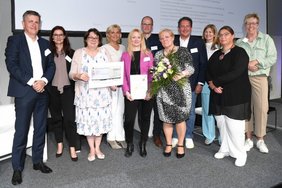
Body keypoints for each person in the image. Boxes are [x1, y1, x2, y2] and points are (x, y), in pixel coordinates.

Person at [5, 10, 55, 185]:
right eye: (30, 21)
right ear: (23, 23)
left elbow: (51, 66)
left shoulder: (45, 43)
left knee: (41, 128)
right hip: (25, 91)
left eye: (37, 22)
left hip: (42, 91)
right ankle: (17, 168)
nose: (34, 25)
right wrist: (32, 81)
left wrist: (44, 81)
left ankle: (37, 161)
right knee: (22, 130)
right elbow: (11, 64)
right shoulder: (15, 40)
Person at [207, 26, 251, 167]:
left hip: (235, 96)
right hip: (218, 95)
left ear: (233, 36)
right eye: (220, 35)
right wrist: (213, 86)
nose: (223, 37)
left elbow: (236, 72)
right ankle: (225, 149)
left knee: (235, 127)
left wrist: (216, 82)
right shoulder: (216, 54)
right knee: (222, 125)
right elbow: (207, 71)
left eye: (226, 34)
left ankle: (240, 153)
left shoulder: (240, 53)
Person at [236, 13, 277, 154]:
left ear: (258, 25)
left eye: (253, 23)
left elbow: (273, 57)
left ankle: (260, 139)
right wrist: (246, 65)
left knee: (261, 108)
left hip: (260, 78)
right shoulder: (239, 43)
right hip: (243, 79)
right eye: (248, 23)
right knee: (246, 109)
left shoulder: (266, 39)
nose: (251, 26)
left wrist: (258, 62)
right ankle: (248, 139)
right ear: (245, 25)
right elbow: (236, 61)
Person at [69, 28, 112, 161]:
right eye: (90, 37)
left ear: (99, 40)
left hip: (102, 95)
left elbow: (111, 71)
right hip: (85, 95)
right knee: (88, 123)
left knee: (99, 123)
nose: (93, 40)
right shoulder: (78, 53)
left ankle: (98, 147)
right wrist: (79, 75)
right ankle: (92, 150)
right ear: (86, 39)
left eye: (96, 38)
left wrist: (113, 83)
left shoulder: (105, 52)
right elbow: (71, 74)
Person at [155, 28, 194, 158]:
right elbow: (156, 74)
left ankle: (181, 145)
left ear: (172, 38)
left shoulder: (183, 51)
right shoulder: (158, 55)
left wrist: (181, 74)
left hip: (181, 91)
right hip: (164, 92)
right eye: (161, 38)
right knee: (166, 120)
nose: (164, 40)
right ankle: (169, 143)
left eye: (167, 37)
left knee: (180, 119)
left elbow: (191, 68)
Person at [173, 16, 208, 149]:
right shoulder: (173, 41)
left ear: (191, 28)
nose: (185, 28)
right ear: (178, 28)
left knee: (190, 112)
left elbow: (203, 64)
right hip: (175, 85)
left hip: (192, 84)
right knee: (176, 111)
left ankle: (188, 136)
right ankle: (176, 136)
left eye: (187, 26)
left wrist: (200, 83)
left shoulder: (198, 43)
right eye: (182, 26)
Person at [47, 26, 80, 161]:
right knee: (56, 119)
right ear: (52, 37)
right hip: (52, 90)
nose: (59, 37)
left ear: (65, 36)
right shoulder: (47, 53)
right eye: (56, 35)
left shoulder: (72, 53)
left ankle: (72, 147)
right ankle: (60, 144)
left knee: (70, 120)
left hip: (67, 90)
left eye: (61, 35)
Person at [121, 28, 153, 158]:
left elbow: (153, 74)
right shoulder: (125, 55)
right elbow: (122, 75)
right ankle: (129, 143)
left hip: (147, 93)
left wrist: (151, 90)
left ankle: (143, 143)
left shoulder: (148, 54)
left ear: (142, 39)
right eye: (133, 37)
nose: (136, 40)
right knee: (129, 120)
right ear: (130, 39)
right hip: (131, 94)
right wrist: (126, 91)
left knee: (144, 119)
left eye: (138, 37)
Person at [102, 24, 126, 149]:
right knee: (111, 111)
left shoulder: (123, 47)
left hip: (121, 84)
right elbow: (103, 68)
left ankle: (120, 136)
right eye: (112, 32)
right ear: (107, 35)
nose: (115, 35)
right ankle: (111, 138)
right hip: (109, 85)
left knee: (120, 111)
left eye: (117, 32)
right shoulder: (103, 48)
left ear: (121, 35)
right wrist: (110, 82)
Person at [141, 16, 164, 148]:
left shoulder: (158, 40)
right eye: (144, 24)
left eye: (149, 24)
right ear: (141, 25)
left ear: (152, 26)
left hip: (156, 81)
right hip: (141, 81)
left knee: (157, 109)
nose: (147, 26)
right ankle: (143, 135)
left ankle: (156, 135)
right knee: (144, 110)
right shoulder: (137, 39)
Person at [201, 24, 220, 145]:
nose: (208, 34)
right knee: (207, 110)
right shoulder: (200, 46)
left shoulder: (219, 47)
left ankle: (223, 136)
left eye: (210, 32)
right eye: (206, 32)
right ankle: (209, 134)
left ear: (214, 34)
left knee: (219, 111)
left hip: (217, 82)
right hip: (204, 82)